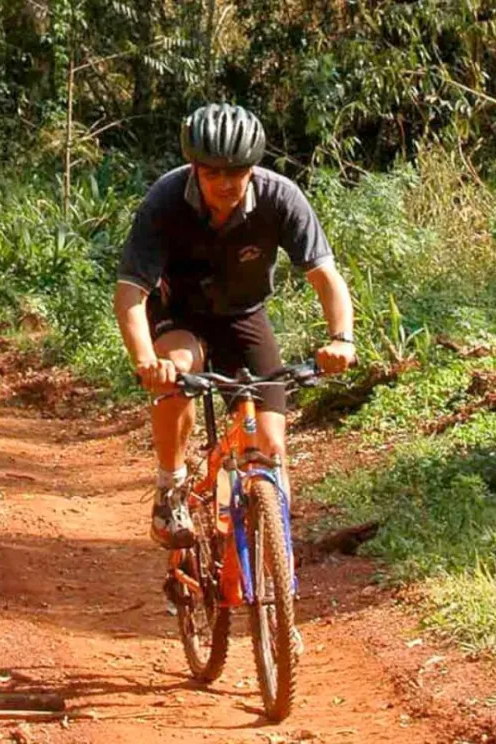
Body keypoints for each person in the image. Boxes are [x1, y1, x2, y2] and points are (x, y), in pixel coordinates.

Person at [113, 103, 356, 549]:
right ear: (194, 168)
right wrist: (147, 360)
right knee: (177, 367)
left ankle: (276, 585)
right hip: (179, 315)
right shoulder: (164, 201)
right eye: (212, 174)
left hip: (244, 314)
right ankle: (171, 487)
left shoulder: (281, 198)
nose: (225, 184)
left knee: (270, 448)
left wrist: (341, 339)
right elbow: (131, 293)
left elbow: (326, 278)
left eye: (237, 172)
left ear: (254, 167)